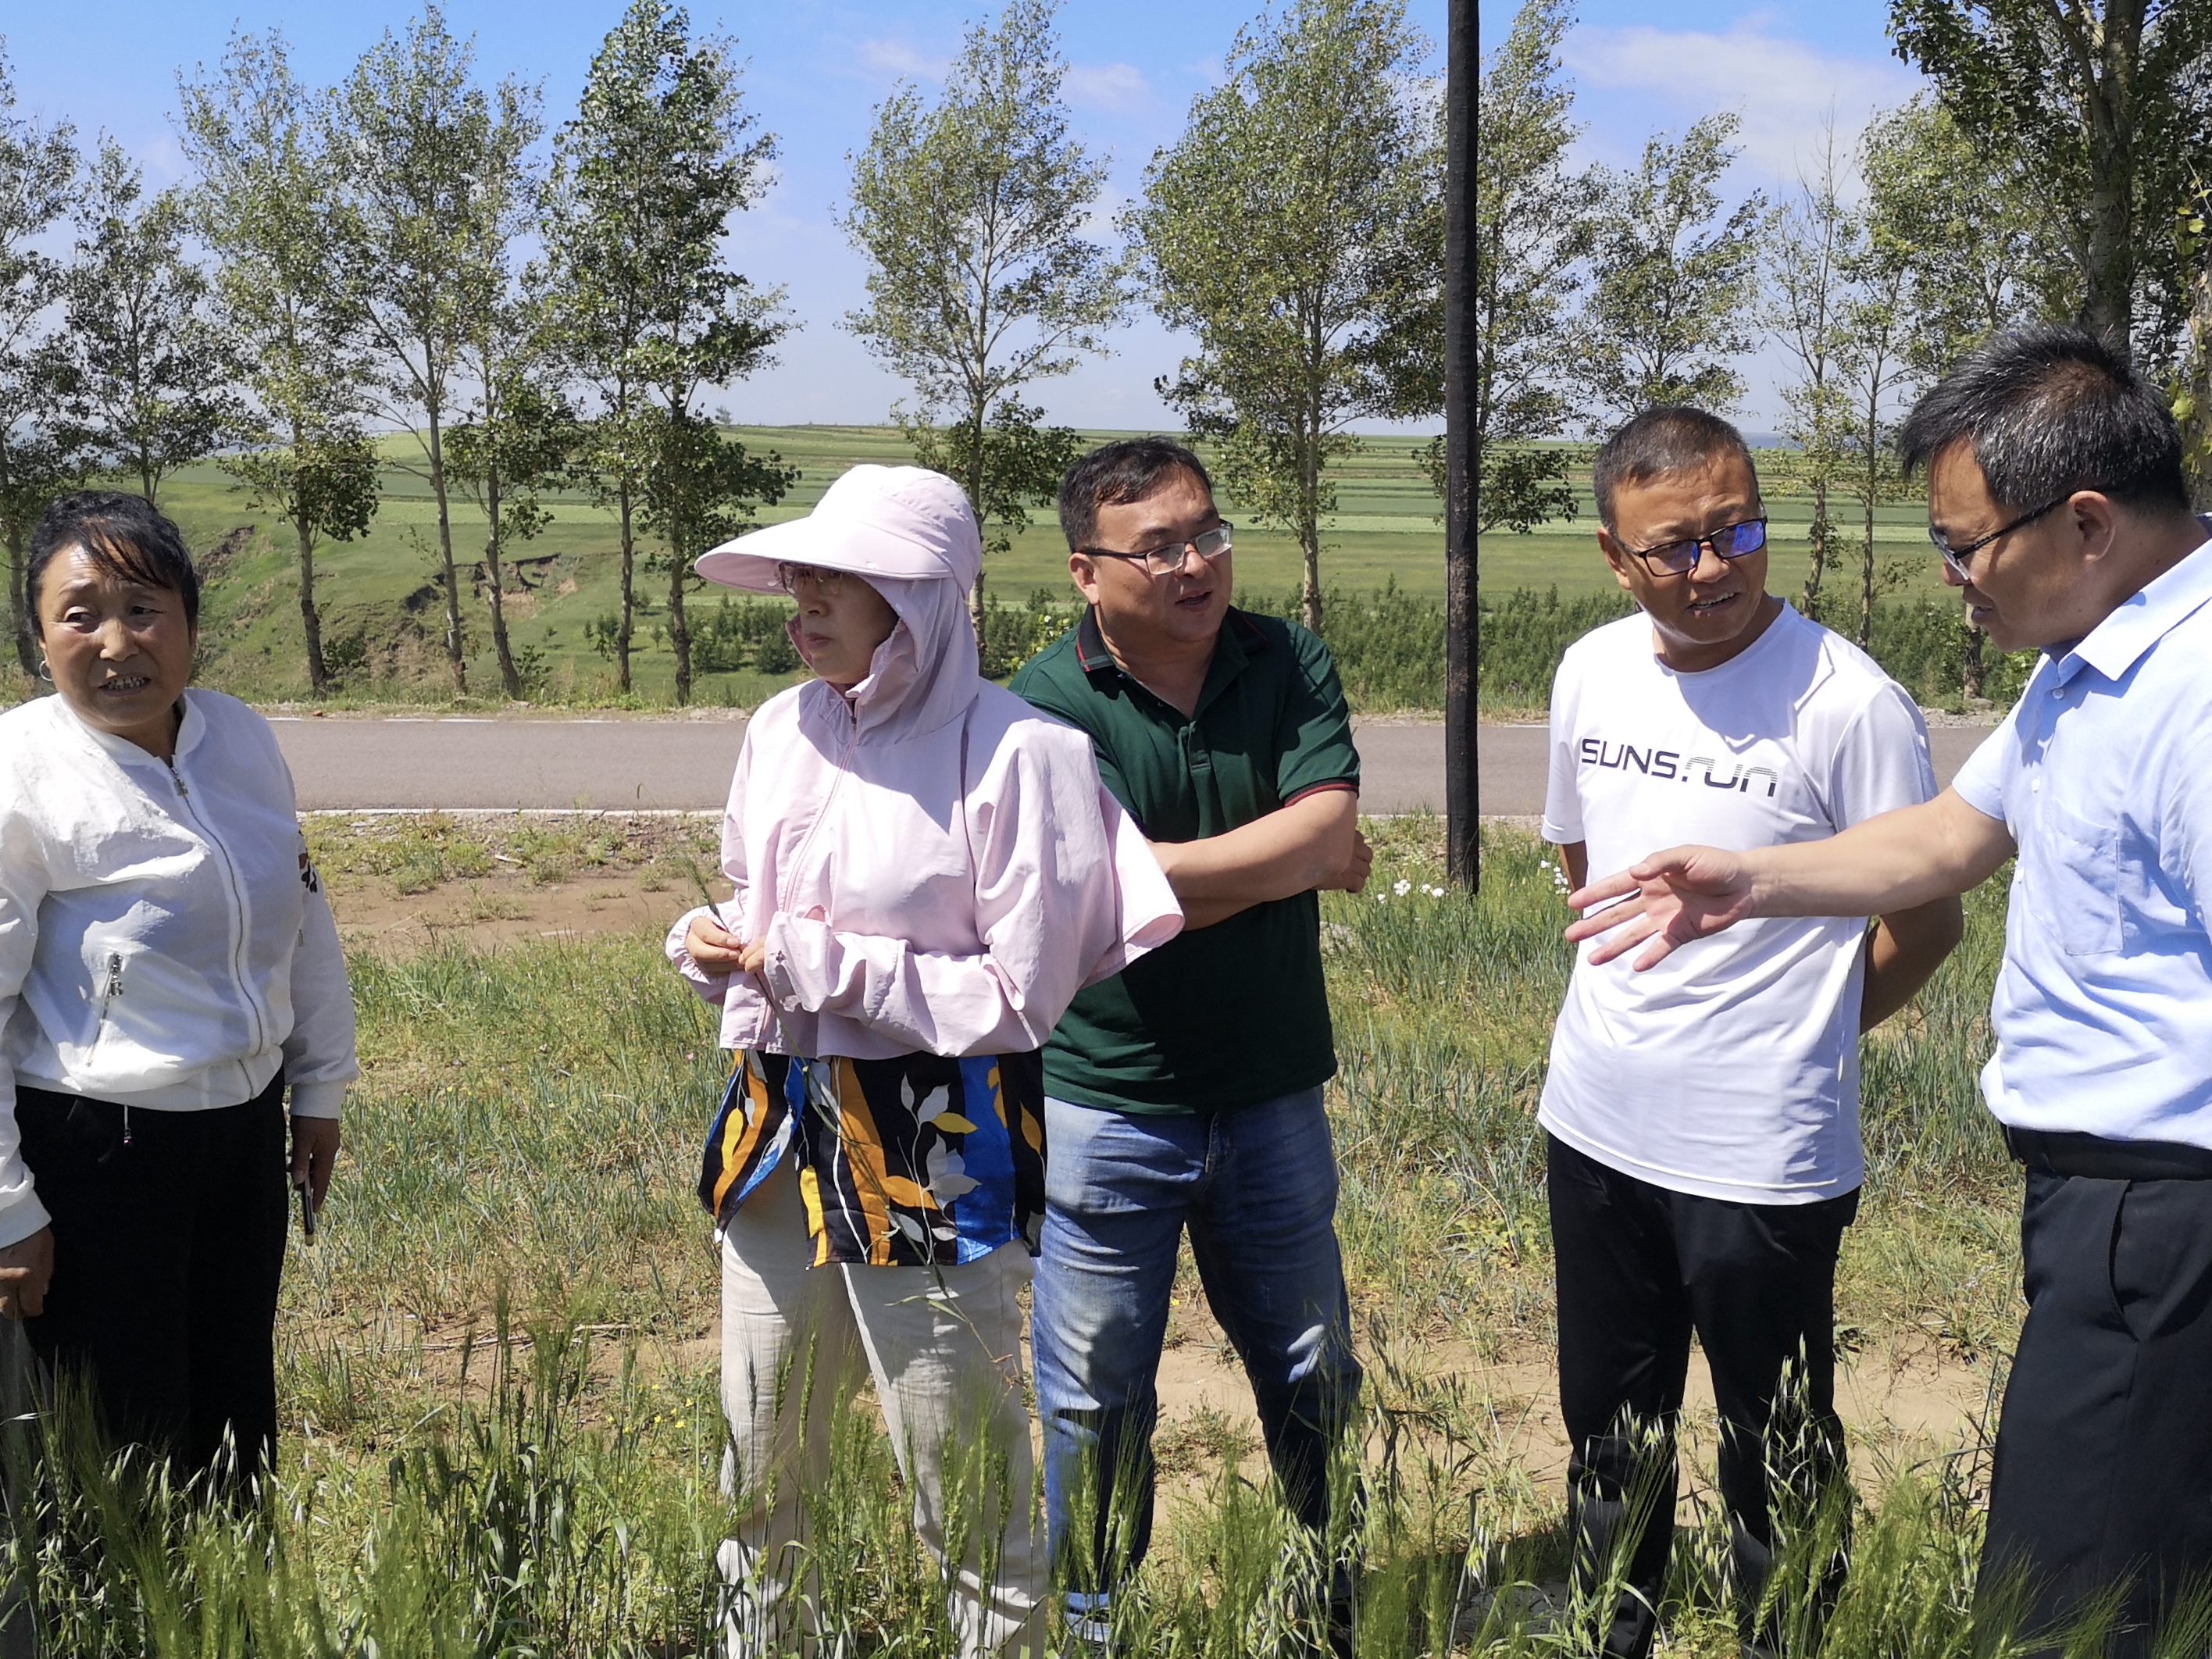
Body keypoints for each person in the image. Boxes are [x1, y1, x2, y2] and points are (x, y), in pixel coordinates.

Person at [1564, 326, 2212, 1655]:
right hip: (2102, 1200)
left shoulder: (2194, 695)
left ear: (2086, 522)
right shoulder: (2094, 660)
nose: (1954, 579)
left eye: (1965, 546)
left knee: (2084, 1610)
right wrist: (1750, 880)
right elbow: (1950, 837)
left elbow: (1933, 908)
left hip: (2168, 1200)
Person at [665, 464, 1181, 1657]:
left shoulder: (1024, 755)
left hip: (932, 1144)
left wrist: (821, 966)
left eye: (834, 580)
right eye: (798, 576)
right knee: (758, 1463)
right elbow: (757, 905)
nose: (801, 601)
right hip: (775, 1127)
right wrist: (710, 943)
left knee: (966, 1482)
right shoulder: (782, 727)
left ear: (918, 602)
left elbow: (1018, 997)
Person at [1539, 407, 1962, 1656]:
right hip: (1595, 1120)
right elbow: (1586, 865)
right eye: (1675, 546)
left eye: (1737, 530)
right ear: (1614, 556)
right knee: (1607, 1427)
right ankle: (1612, 1631)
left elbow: (1926, 920)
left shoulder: (1849, 702)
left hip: (1762, 1152)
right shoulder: (1590, 670)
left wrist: (1803, 1035)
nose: (1714, 567)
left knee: (1775, 1443)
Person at [1009, 437, 1373, 1656]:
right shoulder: (1042, 708)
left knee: (1314, 1369)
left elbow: (1322, 837)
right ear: (1086, 571)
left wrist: (1148, 878)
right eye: (1157, 546)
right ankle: (1094, 1624)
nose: (1193, 563)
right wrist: (1288, 862)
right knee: (1094, 1394)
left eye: (1206, 533)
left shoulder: (1286, 657)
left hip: (1273, 1093)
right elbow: (1078, 899)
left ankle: (1332, 1602)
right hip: (1104, 1101)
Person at [0, 490, 356, 1489]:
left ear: (193, 625)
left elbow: (300, 912)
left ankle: (232, 1582)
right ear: (39, 638)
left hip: (240, 1137)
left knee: (233, 1412)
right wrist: (9, 1209)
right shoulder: (20, 773)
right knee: (115, 1447)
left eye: (145, 609)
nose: (117, 642)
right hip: (93, 1152)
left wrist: (319, 1084)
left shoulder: (238, 737)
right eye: (80, 615)